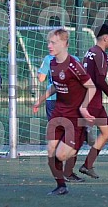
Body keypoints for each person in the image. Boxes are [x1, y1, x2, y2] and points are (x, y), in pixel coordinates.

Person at [33, 28, 96, 195]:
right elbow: (55, 86)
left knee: (60, 156)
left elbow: (91, 86)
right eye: (48, 42)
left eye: (53, 42)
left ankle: (81, 136)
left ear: (64, 44)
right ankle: (61, 186)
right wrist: (40, 100)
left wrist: (83, 107)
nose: (49, 45)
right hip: (57, 113)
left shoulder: (74, 65)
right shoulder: (53, 62)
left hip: (73, 117)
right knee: (50, 153)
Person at [78, 24, 108, 179]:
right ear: (105, 37)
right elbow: (100, 80)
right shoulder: (100, 54)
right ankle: (68, 169)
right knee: (78, 135)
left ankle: (87, 165)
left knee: (106, 132)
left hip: (88, 99)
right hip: (93, 101)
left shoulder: (89, 51)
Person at [37, 54, 85, 183]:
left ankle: (60, 174)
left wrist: (40, 72)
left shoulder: (48, 59)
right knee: (73, 138)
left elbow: (41, 78)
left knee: (59, 138)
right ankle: (67, 173)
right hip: (70, 102)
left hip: (54, 102)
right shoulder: (75, 59)